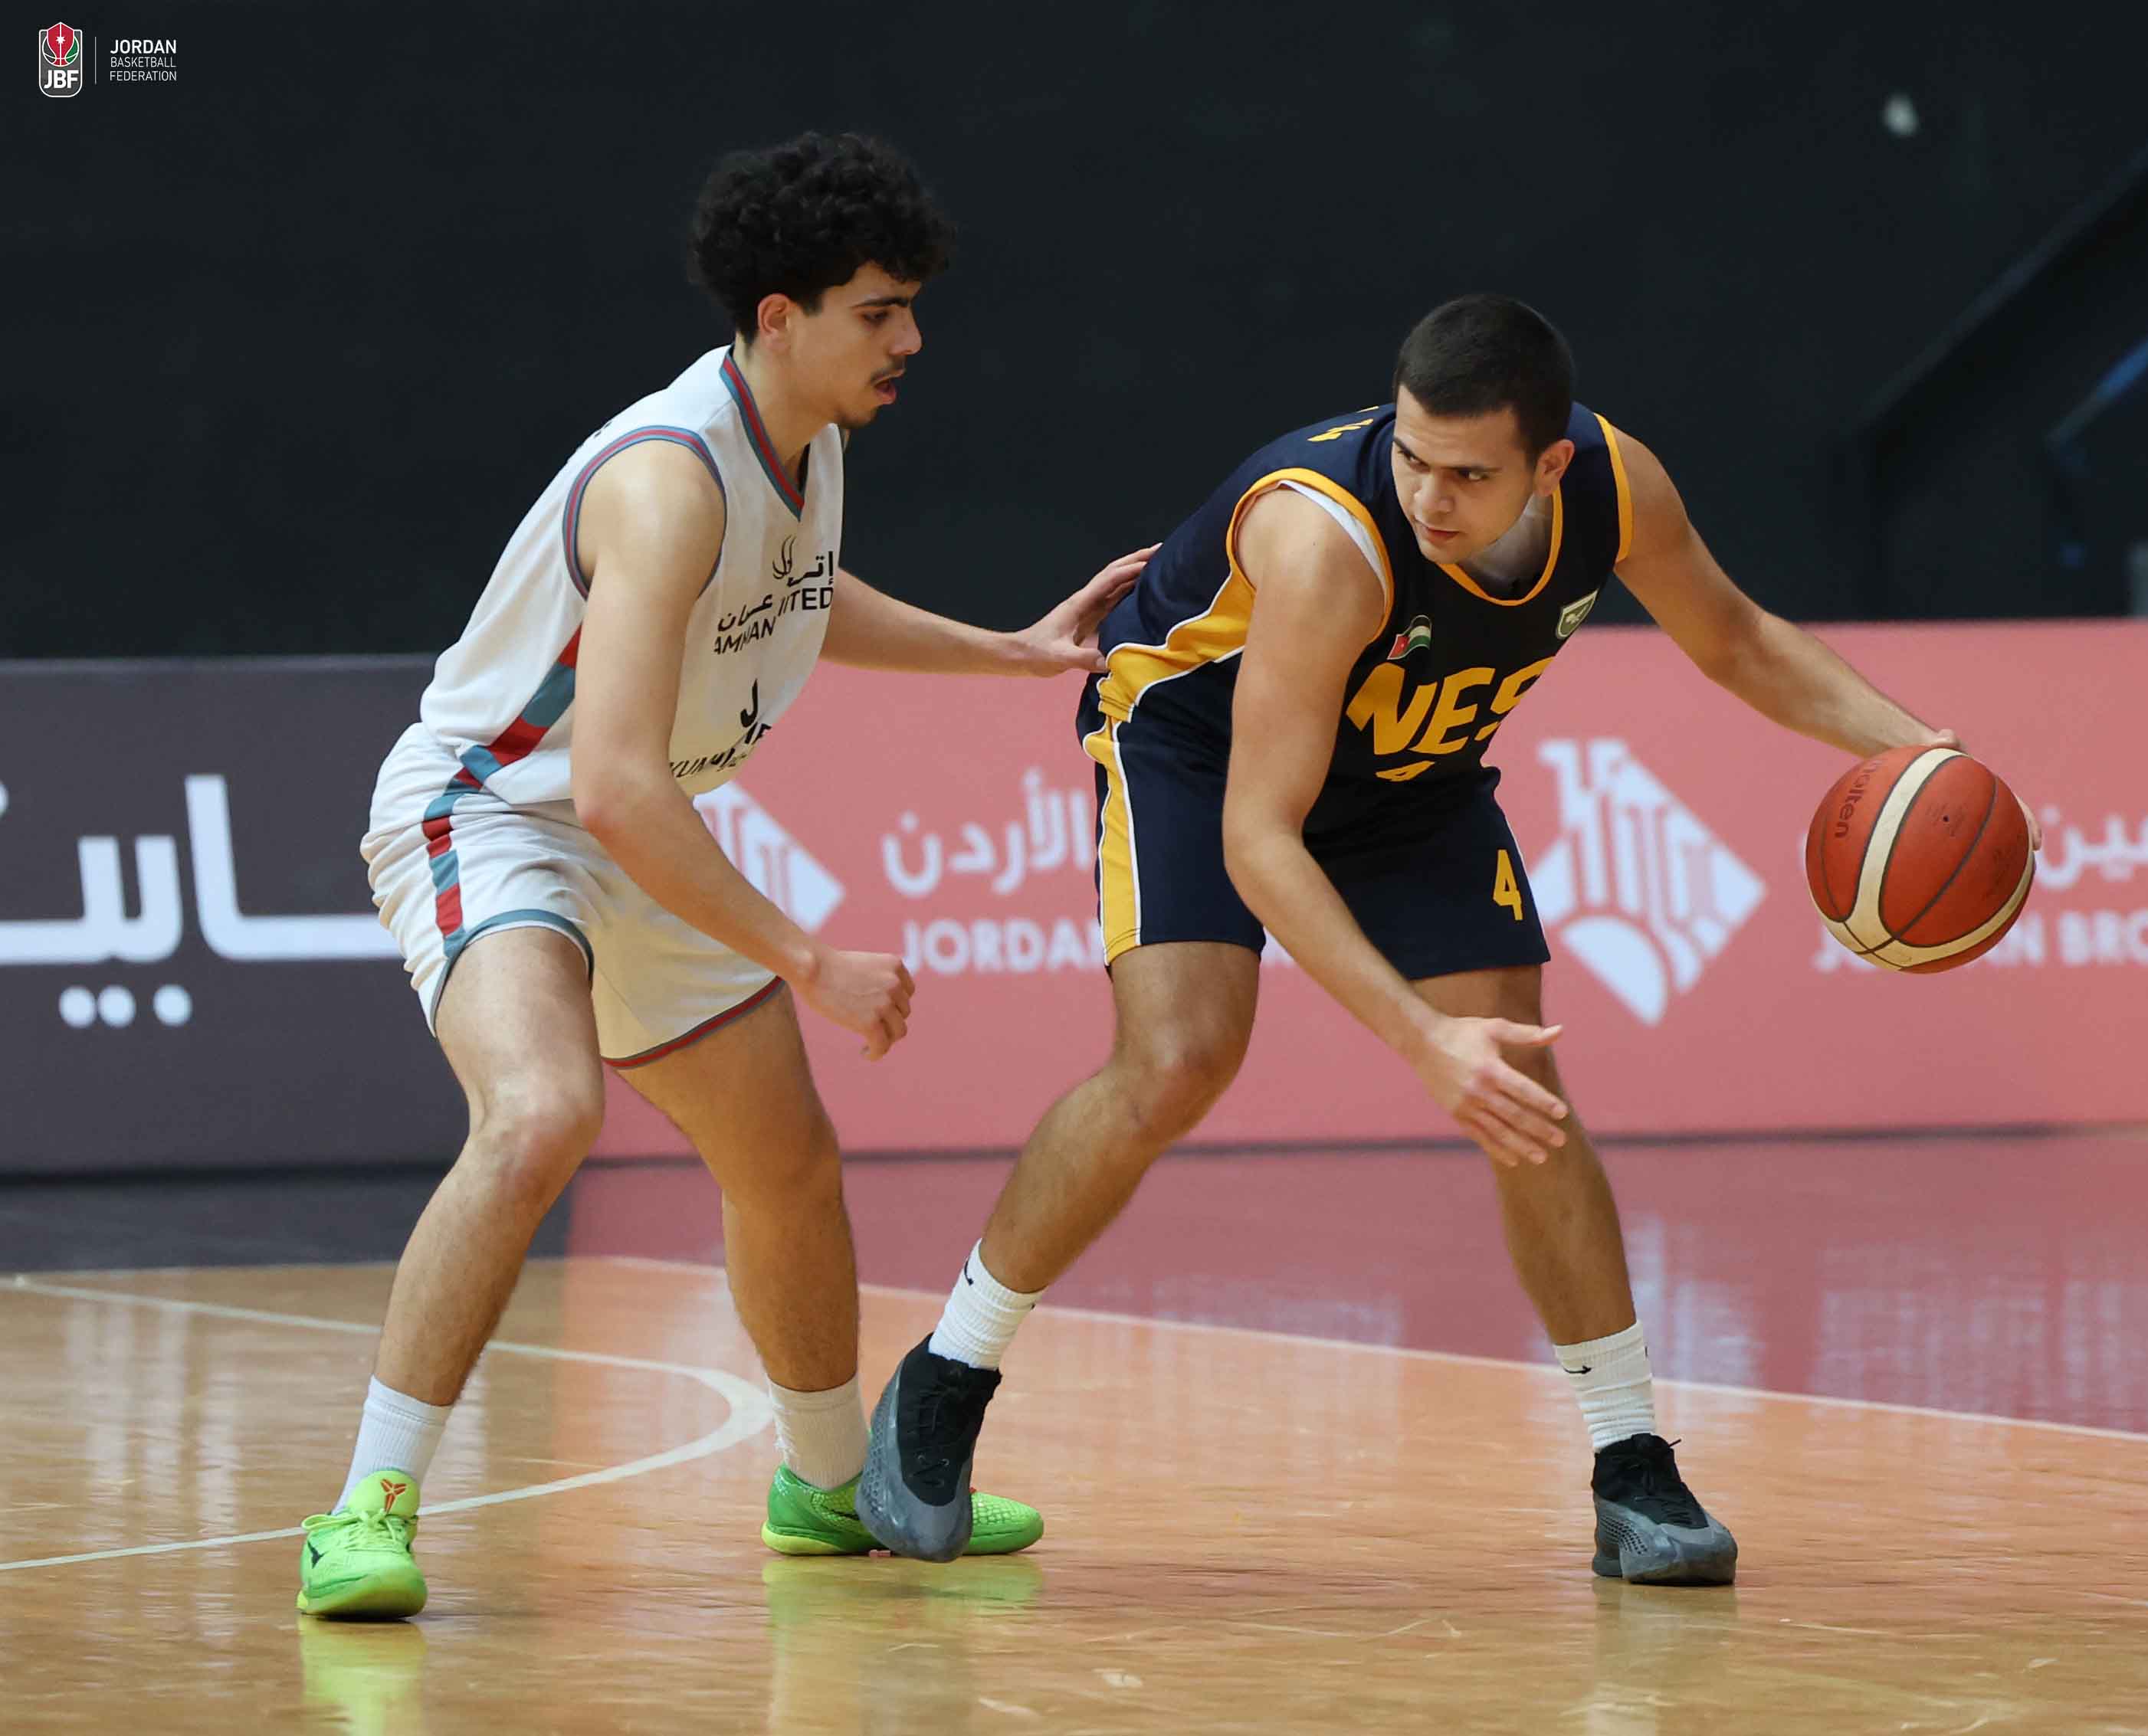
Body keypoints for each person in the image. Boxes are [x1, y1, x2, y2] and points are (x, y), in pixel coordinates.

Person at [860, 293, 2025, 1584]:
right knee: (1180, 1055)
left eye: (1467, 474)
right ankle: (945, 1372)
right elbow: (1261, 837)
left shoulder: (1616, 487)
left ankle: (1630, 1460)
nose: (1428, 494)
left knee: (1522, 1081)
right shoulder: (1327, 544)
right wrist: (1419, 1039)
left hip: (1410, 763)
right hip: (1200, 749)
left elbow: (1738, 639)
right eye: (1412, 456)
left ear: (1549, 463)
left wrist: (1921, 752)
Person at [296, 133, 1146, 1619]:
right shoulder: (666, 481)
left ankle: (826, 1484)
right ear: (778, 316)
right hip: (495, 812)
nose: (910, 339)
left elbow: (800, 599)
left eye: (909, 307)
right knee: (543, 1110)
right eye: (879, 311)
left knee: (786, 1160)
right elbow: (611, 784)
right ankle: (365, 1505)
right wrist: (809, 958)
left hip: (638, 827)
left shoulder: (802, 441)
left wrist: (1007, 652)